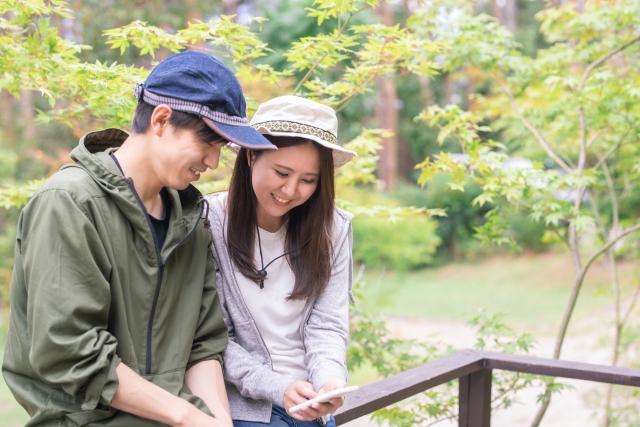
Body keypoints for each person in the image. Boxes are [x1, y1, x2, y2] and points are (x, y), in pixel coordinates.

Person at [2, 51, 276, 427]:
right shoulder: (70, 203)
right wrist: (187, 417)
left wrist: (218, 421)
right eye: (207, 144)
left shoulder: (191, 221)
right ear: (162, 119)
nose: (213, 163)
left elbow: (203, 344)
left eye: (220, 150)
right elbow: (71, 352)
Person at [206, 95, 358, 427]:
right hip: (247, 407)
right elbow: (213, 338)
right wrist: (280, 388)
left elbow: (327, 324)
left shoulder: (332, 228)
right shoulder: (210, 222)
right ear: (250, 155)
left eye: (309, 180)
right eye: (281, 172)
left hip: (311, 406)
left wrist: (330, 380)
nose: (290, 190)